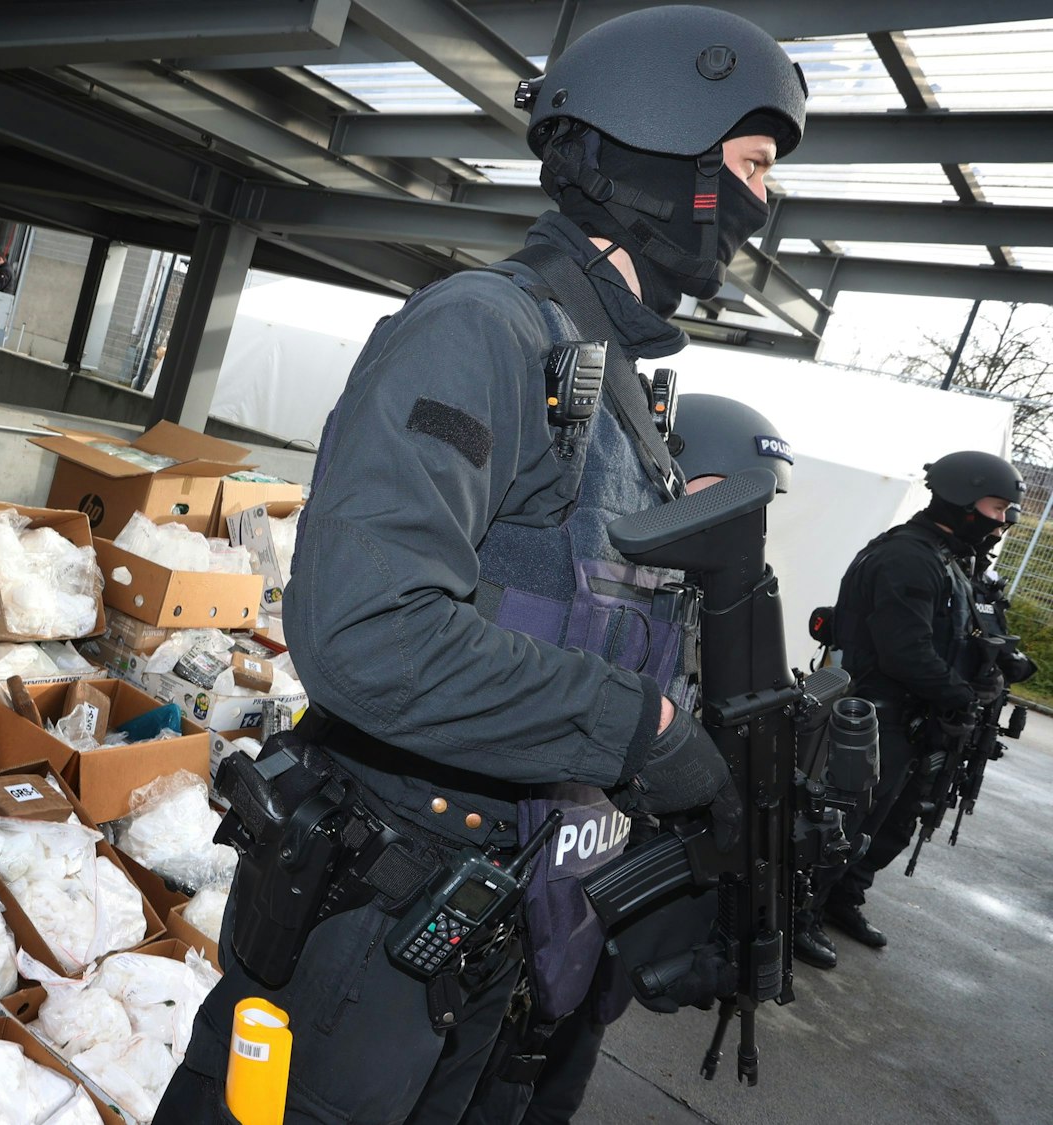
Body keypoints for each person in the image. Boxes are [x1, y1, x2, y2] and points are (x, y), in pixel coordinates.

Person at [155, 7, 807, 1122]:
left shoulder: (608, 383)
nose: (763, 201)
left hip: (496, 909)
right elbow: (370, 637)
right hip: (376, 920)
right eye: (750, 164)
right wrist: (640, 731)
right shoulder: (482, 331)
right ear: (666, 149)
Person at [458, 394, 797, 1125]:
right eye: (729, 495)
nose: (745, 523)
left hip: (595, 902)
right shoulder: (586, 570)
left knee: (557, 1080)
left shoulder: (718, 608)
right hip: (520, 878)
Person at [794, 450, 1024, 969]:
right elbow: (905, 652)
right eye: (996, 507)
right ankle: (796, 912)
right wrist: (963, 696)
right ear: (962, 499)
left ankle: (840, 898)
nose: (1003, 521)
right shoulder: (908, 557)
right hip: (876, 716)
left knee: (897, 822)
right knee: (845, 823)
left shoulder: (951, 557)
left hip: (917, 718)